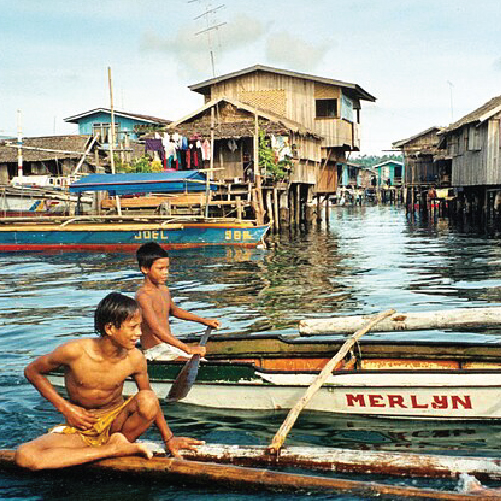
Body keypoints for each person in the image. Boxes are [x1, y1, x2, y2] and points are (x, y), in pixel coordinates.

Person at [15, 292, 203, 470]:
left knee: (147, 399)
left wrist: (168, 439)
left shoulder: (135, 358)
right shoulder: (74, 352)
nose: (139, 333)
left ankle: (117, 443)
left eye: (140, 326)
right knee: (25, 456)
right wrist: (66, 408)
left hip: (118, 427)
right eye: (132, 327)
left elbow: (151, 402)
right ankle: (111, 450)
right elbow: (32, 371)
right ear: (110, 328)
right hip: (82, 429)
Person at [135, 242, 220, 361]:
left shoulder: (164, 289)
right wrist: (187, 349)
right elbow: (156, 330)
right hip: (155, 352)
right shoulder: (143, 296)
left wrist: (204, 321)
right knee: (197, 361)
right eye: (160, 269)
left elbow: (174, 311)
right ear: (144, 269)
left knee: (200, 360)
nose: (166, 273)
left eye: (167, 268)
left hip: (169, 346)